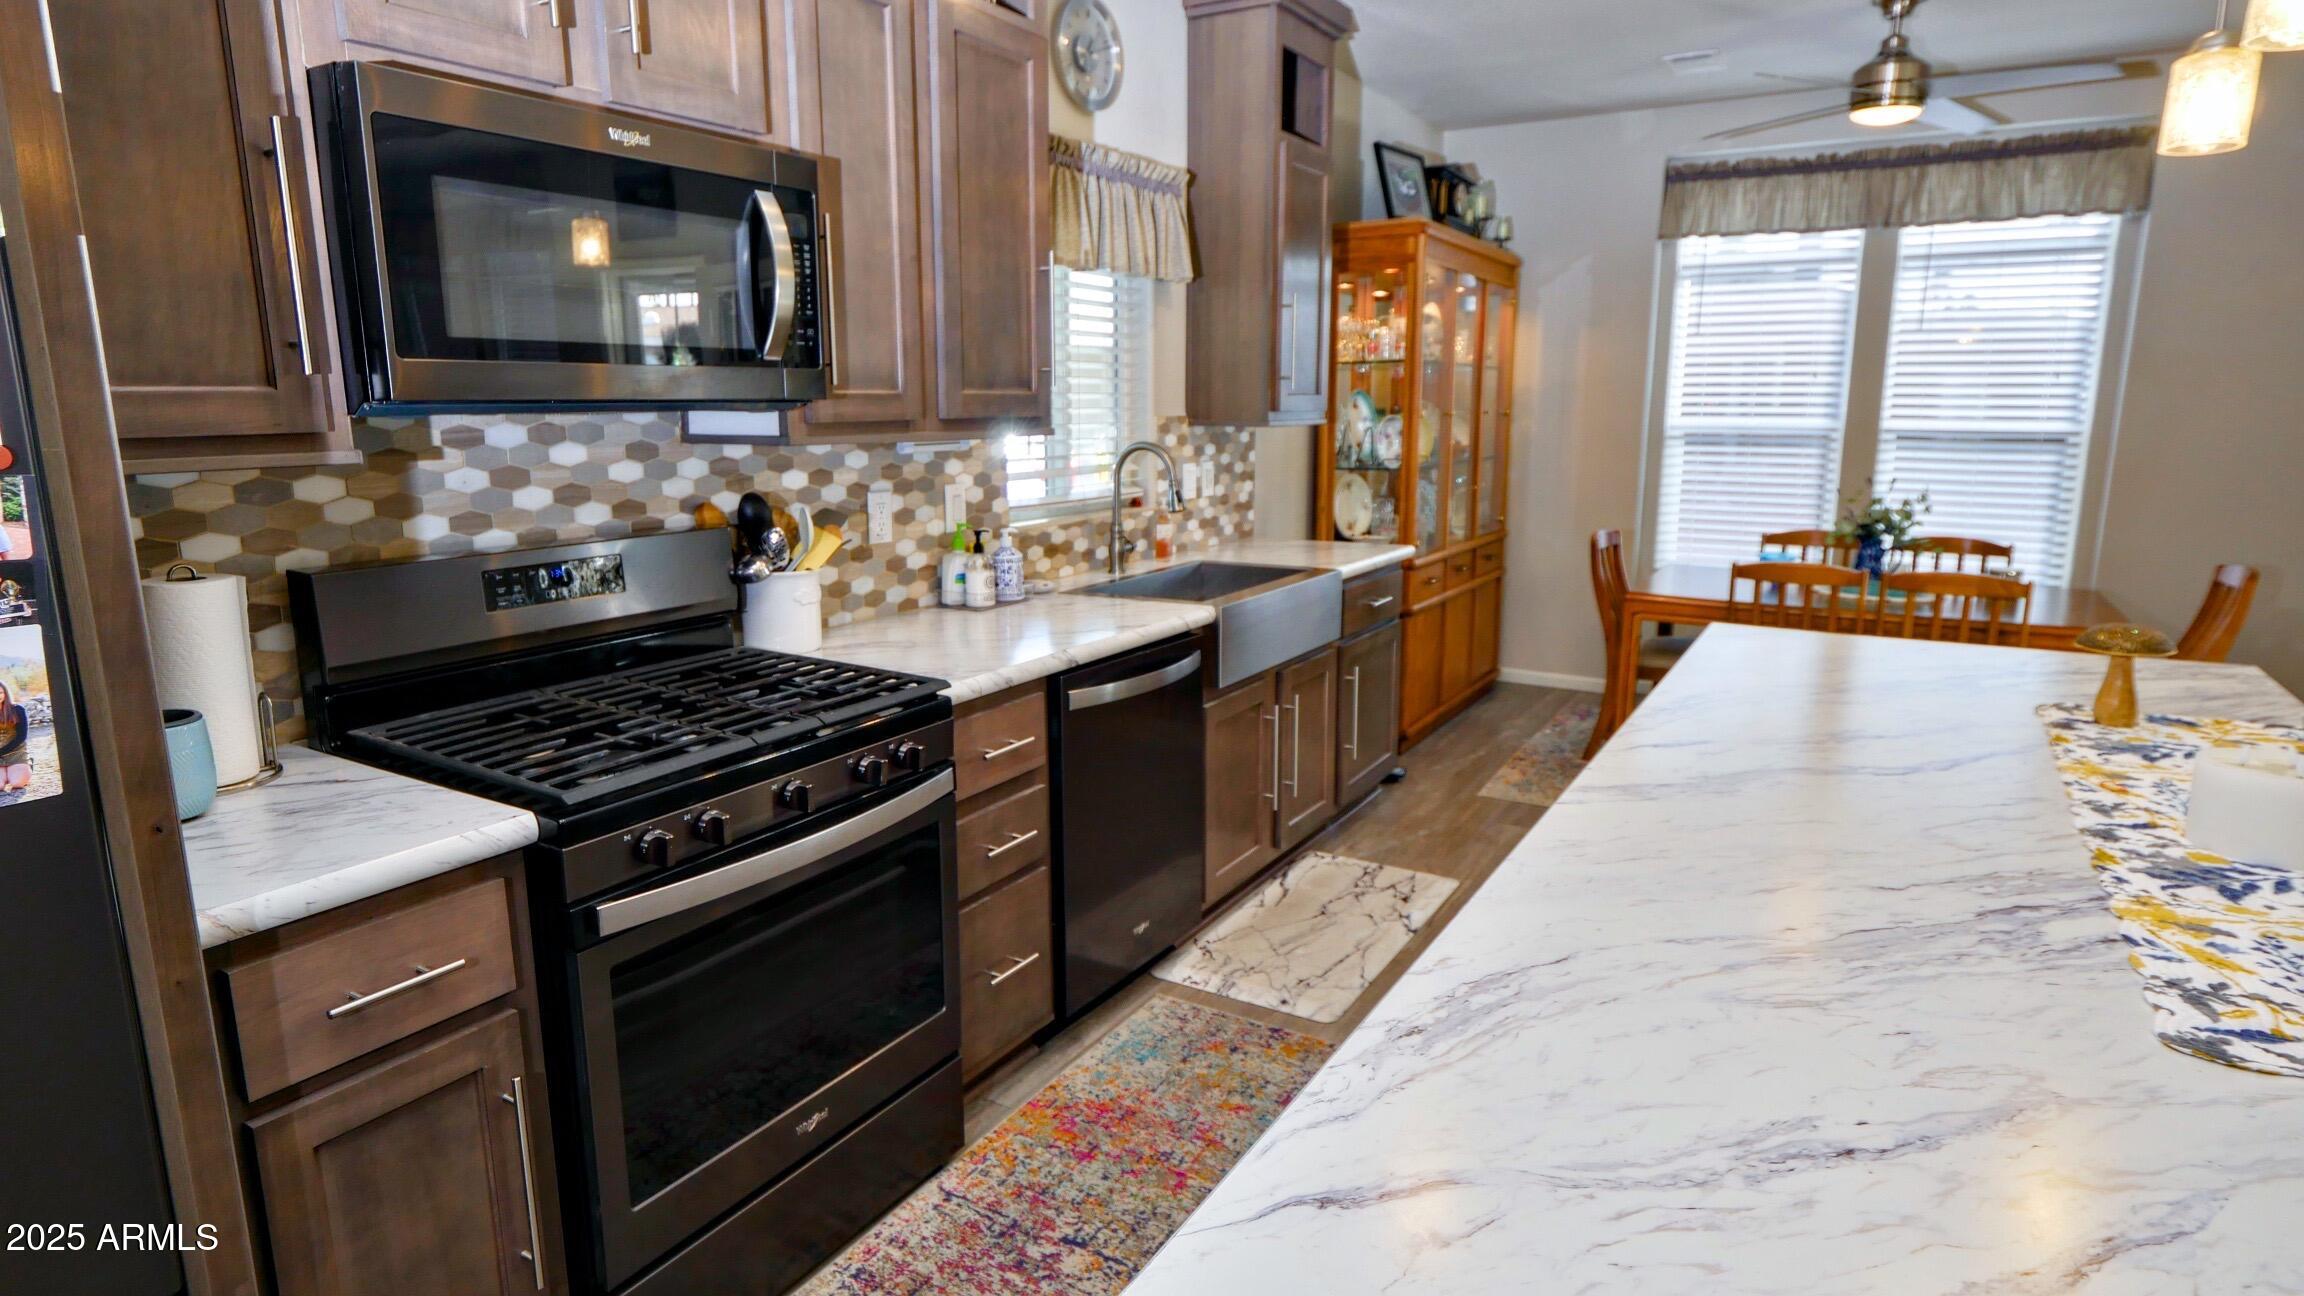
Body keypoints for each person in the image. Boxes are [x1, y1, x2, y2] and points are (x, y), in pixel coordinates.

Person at [0, 680, 29, 792]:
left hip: (16, 753)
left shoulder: (17, 709)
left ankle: (27, 765)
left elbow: (22, 736)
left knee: (17, 783)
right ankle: (5, 774)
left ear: (5, 693)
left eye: (0, 692)